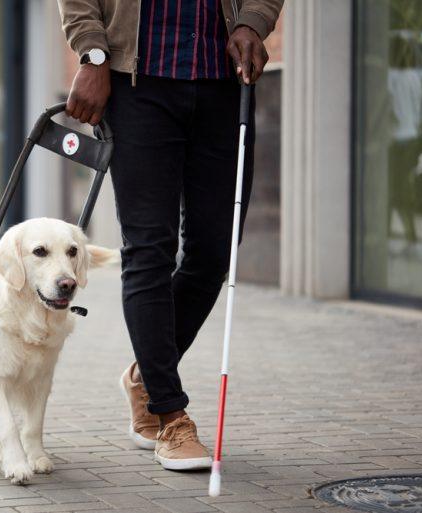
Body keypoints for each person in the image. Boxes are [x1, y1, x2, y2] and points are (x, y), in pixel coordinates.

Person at [57, 0, 282, 470]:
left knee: (214, 252)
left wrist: (252, 22)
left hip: (223, 80)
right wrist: (93, 55)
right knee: (149, 250)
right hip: (138, 87)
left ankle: (145, 375)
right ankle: (171, 414)